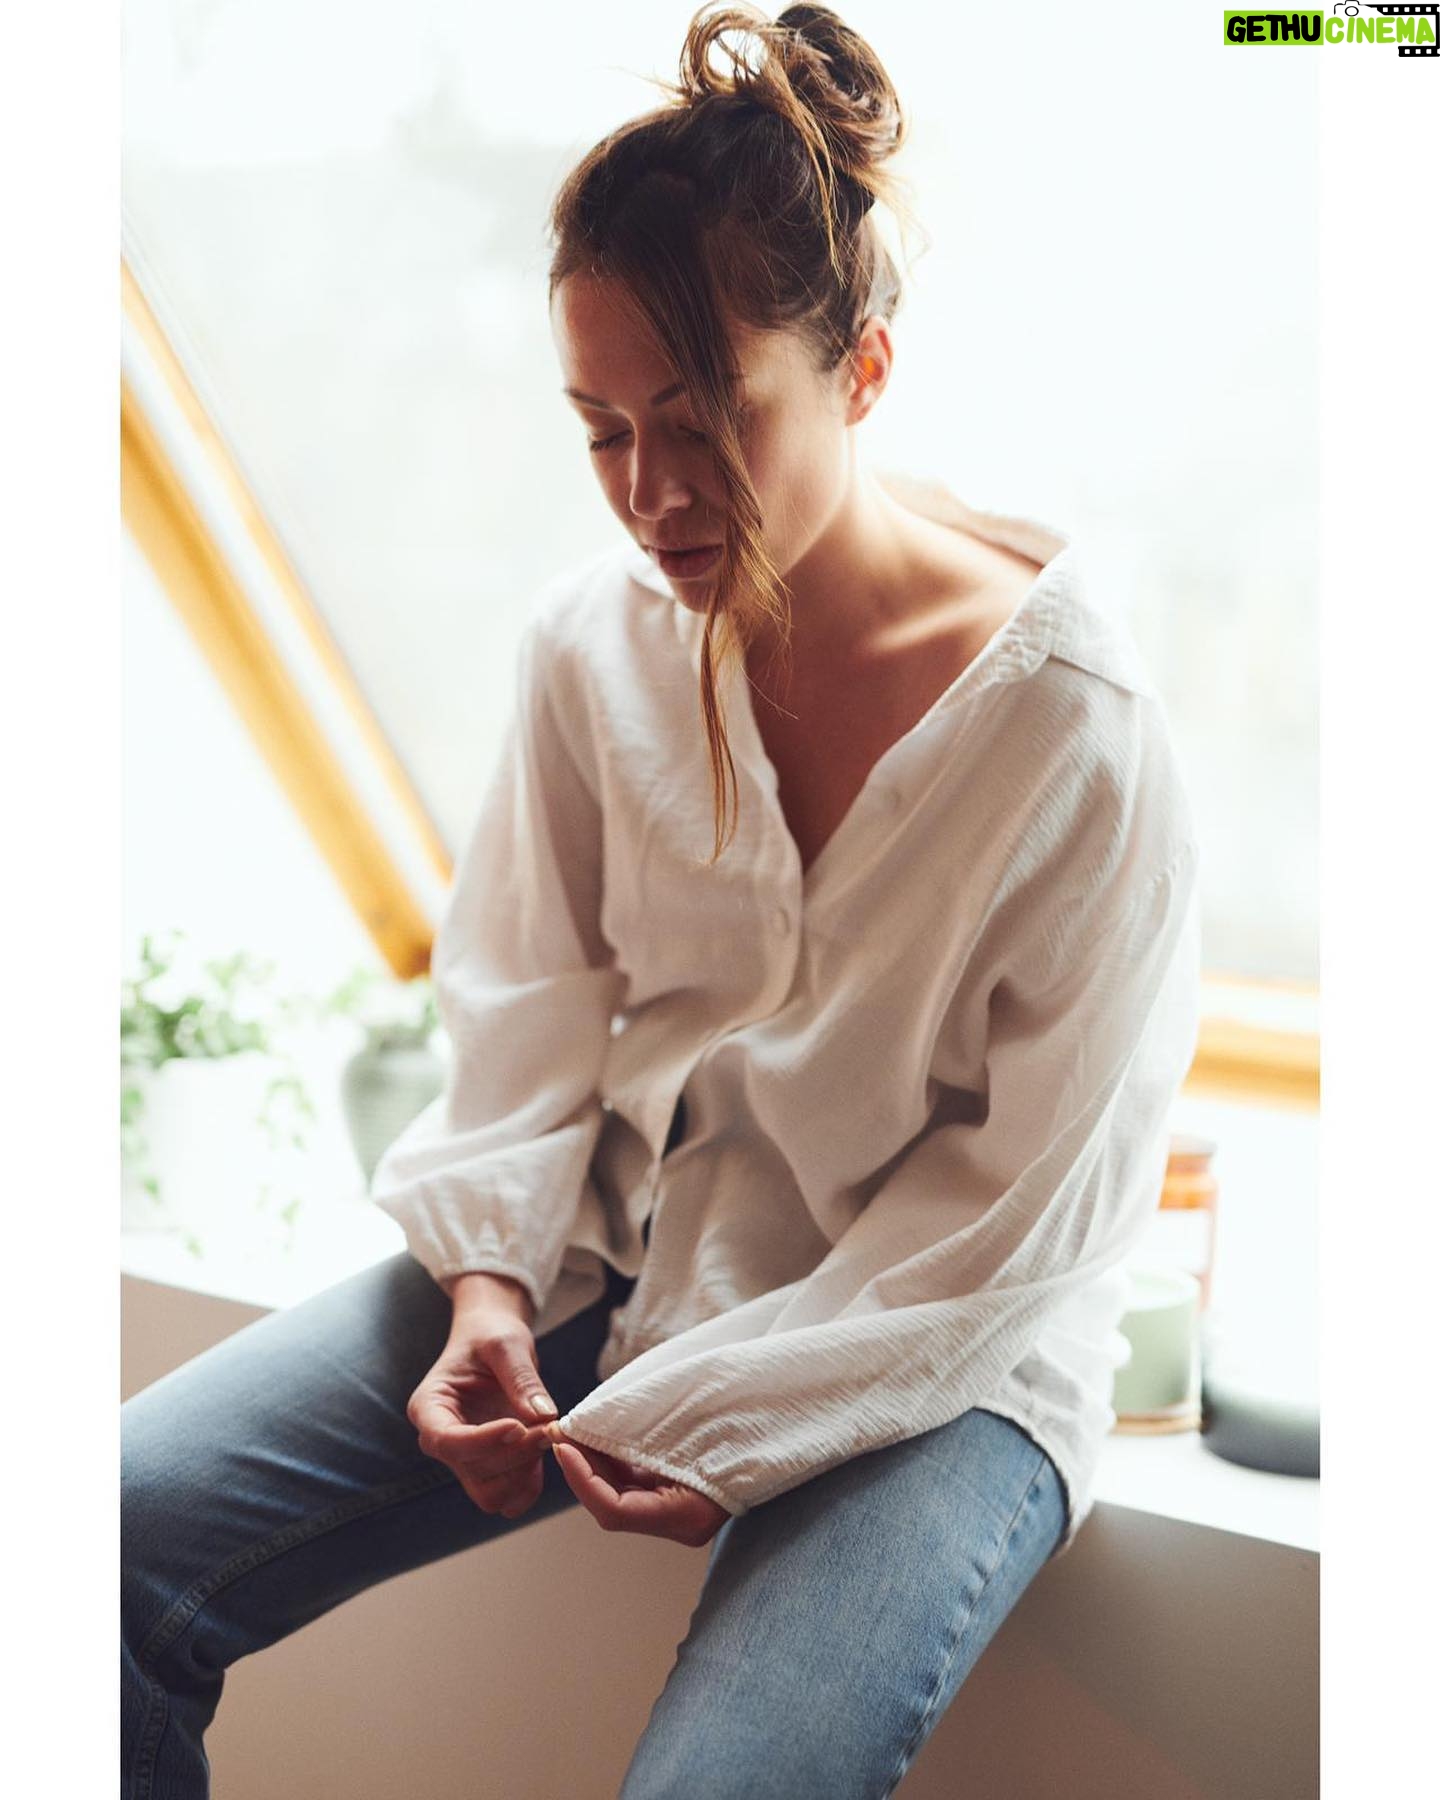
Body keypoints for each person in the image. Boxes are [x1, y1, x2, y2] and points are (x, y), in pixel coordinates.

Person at [121, 5, 1203, 1795]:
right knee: (89, 1549)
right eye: (604, 431)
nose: (651, 495)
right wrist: (487, 1285)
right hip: (614, 1244)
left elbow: (1022, 1218)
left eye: (706, 423)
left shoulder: (1076, 733)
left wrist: (738, 1413)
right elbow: (527, 1015)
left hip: (946, 1342)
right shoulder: (591, 650)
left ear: (862, 371)